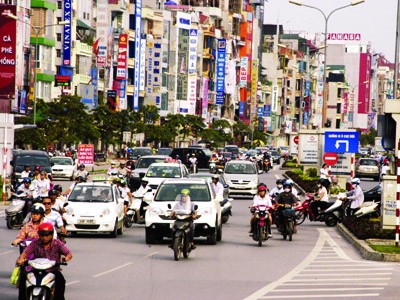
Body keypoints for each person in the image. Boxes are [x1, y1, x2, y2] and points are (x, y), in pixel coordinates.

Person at [16, 222, 72, 300]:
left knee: (61, 281)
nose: (44, 237)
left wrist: (66, 258)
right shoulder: (35, 243)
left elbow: (68, 254)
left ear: (51, 234)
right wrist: (21, 259)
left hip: (52, 270)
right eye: (42, 235)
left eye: (46, 235)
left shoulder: (57, 243)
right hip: (35, 270)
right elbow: (24, 254)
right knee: (22, 280)